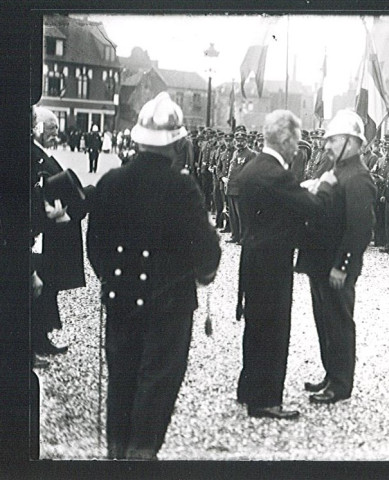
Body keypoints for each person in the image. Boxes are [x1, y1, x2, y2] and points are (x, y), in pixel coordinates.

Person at [87, 92, 221, 459]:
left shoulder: (111, 181)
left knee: (122, 377)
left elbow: (94, 245)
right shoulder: (182, 187)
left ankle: (117, 454)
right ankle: (141, 456)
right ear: (177, 143)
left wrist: (112, 280)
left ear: (139, 138)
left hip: (120, 300)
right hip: (170, 306)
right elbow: (207, 250)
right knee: (157, 381)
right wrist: (205, 274)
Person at [235, 109, 338, 420]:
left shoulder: (254, 168)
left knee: (255, 326)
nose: (298, 146)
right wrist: (325, 186)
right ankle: (266, 400)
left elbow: (280, 203)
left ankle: (249, 388)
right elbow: (313, 209)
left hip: (253, 256)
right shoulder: (277, 174)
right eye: (295, 140)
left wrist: (298, 191)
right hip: (273, 262)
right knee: (274, 328)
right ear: (283, 139)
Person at [296, 109, 376, 404]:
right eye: (327, 140)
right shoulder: (336, 170)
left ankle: (341, 384)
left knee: (339, 323)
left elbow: (359, 230)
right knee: (324, 321)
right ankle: (330, 374)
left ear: (353, 143)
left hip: (335, 266)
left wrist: (342, 266)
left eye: (334, 140)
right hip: (320, 262)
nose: (326, 146)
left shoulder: (357, 178)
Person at [31, 106, 89, 357]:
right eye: (50, 129)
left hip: (51, 232)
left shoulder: (43, 153)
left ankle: (41, 338)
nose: (55, 134)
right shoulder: (34, 154)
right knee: (40, 285)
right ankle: (37, 341)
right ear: (38, 128)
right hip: (40, 233)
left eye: (56, 129)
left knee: (47, 285)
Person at [225, 127, 256, 243]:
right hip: (231, 187)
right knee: (232, 215)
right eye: (237, 140)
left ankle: (243, 237)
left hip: (241, 189)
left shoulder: (251, 154)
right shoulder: (234, 153)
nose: (239, 142)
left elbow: (251, 172)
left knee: (242, 215)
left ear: (246, 141)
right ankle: (235, 235)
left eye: (242, 140)